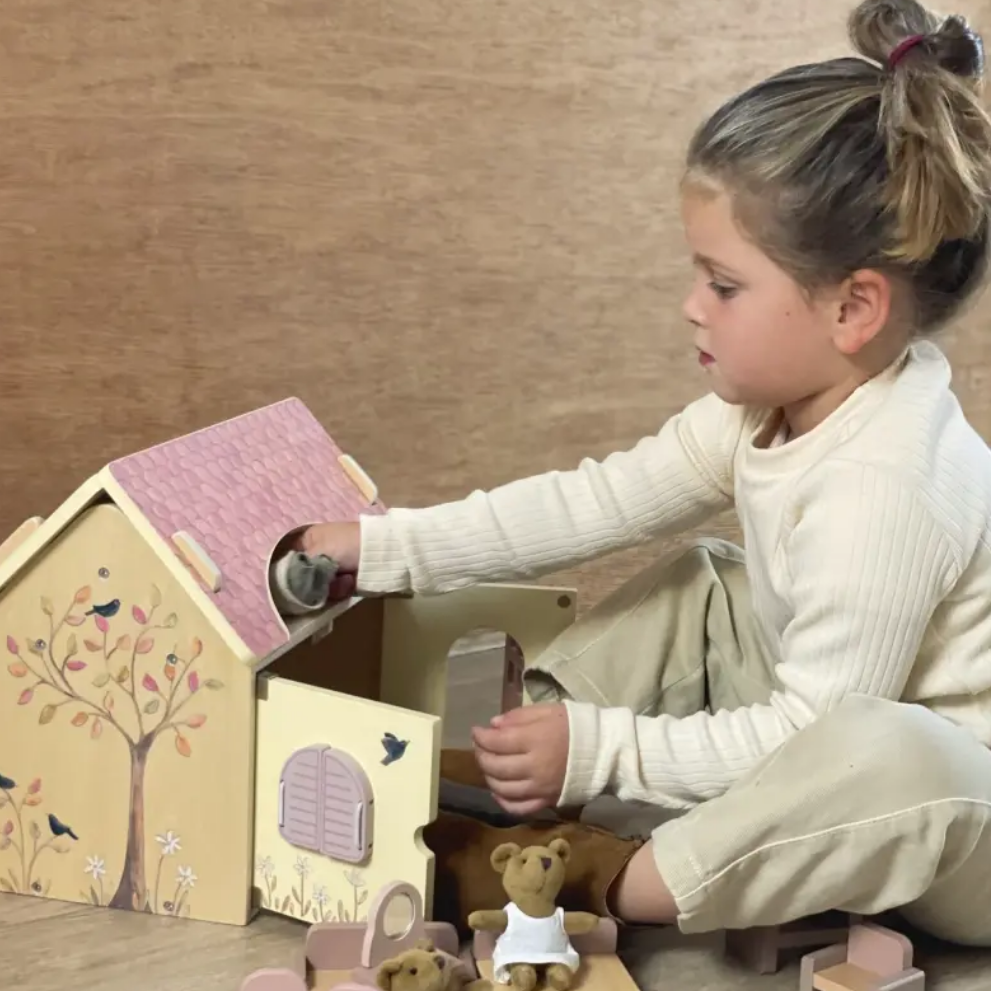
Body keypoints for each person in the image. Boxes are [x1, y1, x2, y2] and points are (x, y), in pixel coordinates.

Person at [300, 0, 991, 948]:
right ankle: (507, 779)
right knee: (704, 582)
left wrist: (606, 749)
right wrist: (388, 548)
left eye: (723, 283)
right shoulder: (775, 409)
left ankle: (604, 877)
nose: (689, 307)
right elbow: (597, 500)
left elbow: (814, 736)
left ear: (851, 309)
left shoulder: (886, 483)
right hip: (835, 747)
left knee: (892, 747)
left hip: (952, 825)